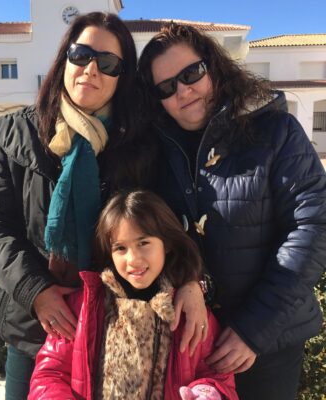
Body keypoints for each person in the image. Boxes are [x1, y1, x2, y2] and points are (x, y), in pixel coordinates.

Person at [0, 13, 207, 400]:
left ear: (121, 77)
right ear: (64, 58)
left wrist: (191, 281)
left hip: (110, 325)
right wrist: (36, 291)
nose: (91, 69)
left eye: (108, 63)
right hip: (33, 323)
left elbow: (169, 226)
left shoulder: (142, 144)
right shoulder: (18, 131)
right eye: (81, 55)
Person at [137, 22, 326, 400]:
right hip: (190, 341)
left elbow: (312, 227)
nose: (183, 91)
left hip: (266, 347)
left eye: (191, 74)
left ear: (213, 67)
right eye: (166, 87)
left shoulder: (276, 131)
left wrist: (254, 329)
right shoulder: (155, 151)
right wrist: (186, 278)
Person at [28, 190, 238, 400]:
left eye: (143, 243)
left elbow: (217, 374)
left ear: (167, 244)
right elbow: (49, 373)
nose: (133, 259)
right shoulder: (84, 306)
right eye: (120, 248)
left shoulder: (189, 311)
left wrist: (207, 394)